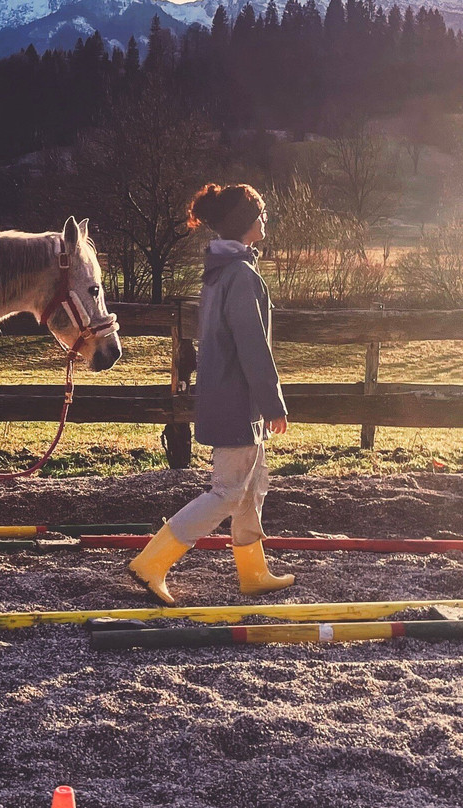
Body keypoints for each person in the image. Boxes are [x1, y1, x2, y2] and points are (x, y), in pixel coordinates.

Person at [128, 182, 294, 605]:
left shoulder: (225, 272)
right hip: (238, 401)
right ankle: (151, 563)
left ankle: (253, 573)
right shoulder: (240, 275)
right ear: (247, 223)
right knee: (227, 491)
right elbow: (252, 347)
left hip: (231, 397)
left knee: (253, 486)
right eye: (261, 212)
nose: (265, 219)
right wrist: (274, 403)